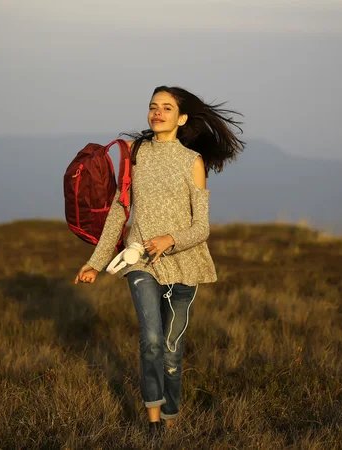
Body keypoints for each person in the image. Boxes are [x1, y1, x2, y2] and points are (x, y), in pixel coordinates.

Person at [74, 86, 244, 440]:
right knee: (151, 340)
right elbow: (119, 211)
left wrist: (170, 240)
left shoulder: (192, 162)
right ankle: (152, 422)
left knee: (171, 351)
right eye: (153, 106)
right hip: (141, 262)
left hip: (184, 264)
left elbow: (202, 227)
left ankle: (170, 417)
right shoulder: (135, 155)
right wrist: (95, 262)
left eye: (166, 107)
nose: (157, 112)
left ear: (181, 119)